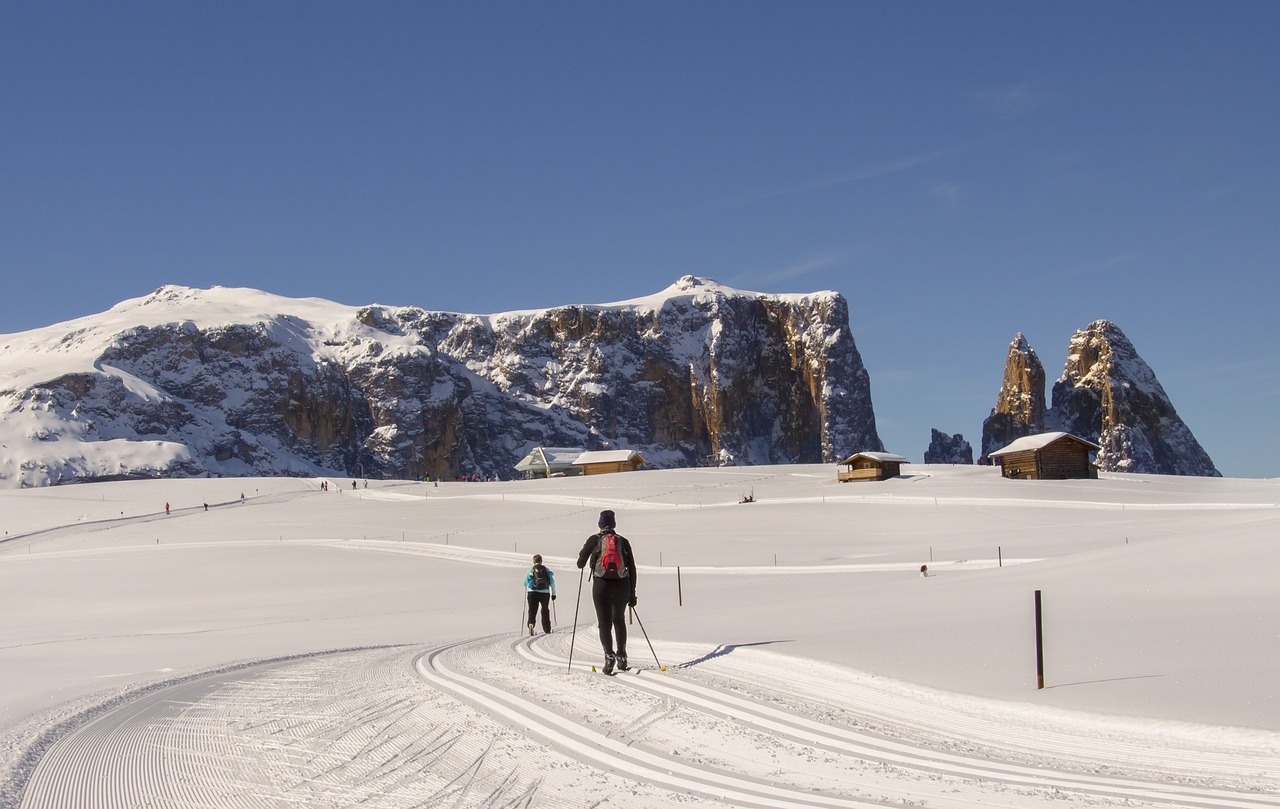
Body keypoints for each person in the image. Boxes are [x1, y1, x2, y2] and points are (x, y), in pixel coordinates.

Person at [576, 509, 637, 674]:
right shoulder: (623, 541)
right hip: (622, 584)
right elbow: (632, 568)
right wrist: (632, 593)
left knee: (604, 623)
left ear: (599, 524)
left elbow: (580, 564)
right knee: (619, 620)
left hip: (601, 585)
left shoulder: (594, 540)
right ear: (614, 524)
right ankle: (622, 656)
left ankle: (609, 656)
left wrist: (586, 556)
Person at [524, 554, 557, 635]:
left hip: (532, 592)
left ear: (533, 561)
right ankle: (547, 629)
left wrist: (529, 587)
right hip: (544, 593)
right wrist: (553, 594)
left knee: (532, 610)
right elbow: (552, 582)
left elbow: (525, 583)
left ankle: (531, 624)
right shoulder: (546, 569)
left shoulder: (530, 570)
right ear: (541, 561)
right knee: (545, 610)